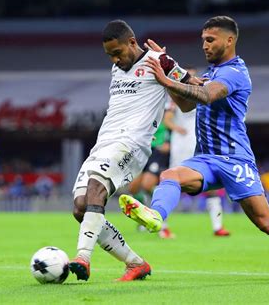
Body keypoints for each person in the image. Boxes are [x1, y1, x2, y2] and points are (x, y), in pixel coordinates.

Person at [119, 16, 269, 280]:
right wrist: (167, 72)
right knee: (170, 175)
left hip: (234, 160)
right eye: (203, 40)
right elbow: (186, 105)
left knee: (267, 223)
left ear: (230, 40)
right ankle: (156, 216)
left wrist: (168, 79)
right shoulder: (212, 73)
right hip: (205, 158)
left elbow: (206, 95)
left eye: (210, 40)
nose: (204, 45)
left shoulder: (235, 73)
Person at [69, 19, 201, 281]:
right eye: (109, 56)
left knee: (96, 187)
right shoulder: (117, 69)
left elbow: (190, 103)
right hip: (104, 142)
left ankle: (82, 257)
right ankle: (135, 263)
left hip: (132, 143)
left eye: (117, 53)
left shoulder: (159, 61)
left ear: (132, 42)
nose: (114, 60)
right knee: (81, 207)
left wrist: (168, 80)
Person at [164, 70, 230, 236]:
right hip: (182, 145)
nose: (192, 79)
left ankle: (217, 226)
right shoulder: (177, 95)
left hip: (200, 143)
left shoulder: (202, 94)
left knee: (210, 184)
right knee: (174, 183)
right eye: (188, 76)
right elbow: (167, 119)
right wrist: (179, 129)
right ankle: (162, 225)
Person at [128, 121, 175, 238]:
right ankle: (144, 218)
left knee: (147, 185)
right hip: (141, 152)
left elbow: (167, 138)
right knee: (133, 187)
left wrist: (167, 143)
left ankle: (163, 224)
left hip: (156, 153)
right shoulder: (140, 116)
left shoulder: (161, 118)